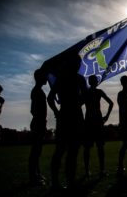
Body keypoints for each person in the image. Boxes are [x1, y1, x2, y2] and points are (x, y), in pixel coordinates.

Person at [47, 54, 87, 191]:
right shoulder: (79, 79)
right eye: (78, 63)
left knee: (63, 150)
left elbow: (50, 98)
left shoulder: (61, 79)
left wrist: (56, 112)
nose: (79, 65)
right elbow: (85, 97)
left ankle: (60, 182)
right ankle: (67, 182)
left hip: (65, 115)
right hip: (73, 116)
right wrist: (77, 104)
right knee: (70, 151)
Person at [83, 75, 113, 179]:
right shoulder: (98, 92)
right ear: (95, 82)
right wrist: (107, 117)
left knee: (88, 148)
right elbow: (111, 103)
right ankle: (101, 170)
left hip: (89, 121)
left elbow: (78, 104)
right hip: (97, 120)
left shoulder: (86, 93)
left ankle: (88, 171)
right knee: (99, 147)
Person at [28, 68, 48, 186]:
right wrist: (41, 121)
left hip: (39, 122)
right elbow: (34, 110)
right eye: (44, 76)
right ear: (40, 78)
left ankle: (37, 173)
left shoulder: (37, 90)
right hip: (38, 123)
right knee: (35, 151)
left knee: (37, 150)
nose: (46, 78)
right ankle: (33, 176)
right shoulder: (37, 91)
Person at [116, 75, 127, 178]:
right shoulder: (121, 94)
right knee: (126, 144)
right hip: (124, 123)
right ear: (122, 83)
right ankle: (120, 166)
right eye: (125, 81)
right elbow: (124, 108)